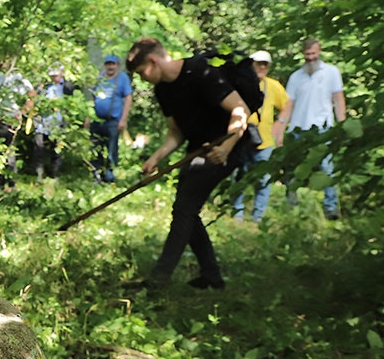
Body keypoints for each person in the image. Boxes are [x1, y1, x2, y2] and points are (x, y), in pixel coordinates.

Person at [126, 37, 255, 290]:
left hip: (230, 144)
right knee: (186, 209)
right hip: (198, 148)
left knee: (184, 207)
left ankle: (159, 279)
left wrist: (226, 148)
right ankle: (212, 277)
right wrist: (156, 157)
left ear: (153, 61)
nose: (142, 79)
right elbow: (176, 133)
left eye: (141, 72)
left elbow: (240, 110)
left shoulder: (200, 71)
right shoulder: (163, 89)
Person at [275, 38, 346, 220]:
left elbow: (338, 99)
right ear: (302, 54)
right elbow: (288, 104)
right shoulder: (296, 77)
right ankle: (291, 205)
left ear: (319, 51)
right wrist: (280, 128)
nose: (311, 58)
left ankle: (330, 208)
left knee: (326, 168)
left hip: (323, 129)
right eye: (307, 55)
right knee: (291, 168)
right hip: (298, 128)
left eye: (313, 54)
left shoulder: (331, 72)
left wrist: (342, 125)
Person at [232, 50, 290, 223]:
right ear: (251, 65)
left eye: (265, 64)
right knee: (238, 175)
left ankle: (258, 215)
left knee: (263, 179)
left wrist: (280, 124)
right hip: (241, 138)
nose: (262, 67)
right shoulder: (240, 83)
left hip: (265, 141)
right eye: (259, 64)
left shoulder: (273, 86)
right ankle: (237, 212)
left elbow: (287, 106)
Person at [85, 54, 132, 183]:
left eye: (113, 64)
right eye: (108, 64)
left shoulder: (122, 78)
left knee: (112, 149)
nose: (110, 67)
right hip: (97, 121)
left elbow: (128, 98)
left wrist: (123, 119)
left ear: (117, 65)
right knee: (95, 148)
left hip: (113, 121)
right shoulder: (100, 78)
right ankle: (96, 175)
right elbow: (92, 98)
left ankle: (109, 176)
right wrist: (88, 117)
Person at [0, 65, 34, 189]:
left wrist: (22, 112)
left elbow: (32, 94)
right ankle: (0, 182)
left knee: (8, 151)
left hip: (10, 120)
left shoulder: (17, 78)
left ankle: (11, 182)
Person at [33, 65, 71, 180]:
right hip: (42, 122)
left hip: (58, 122)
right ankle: (38, 173)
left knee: (57, 149)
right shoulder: (42, 86)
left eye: (56, 75)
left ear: (62, 73)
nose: (54, 78)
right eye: (52, 76)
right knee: (38, 148)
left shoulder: (68, 86)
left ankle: (54, 173)